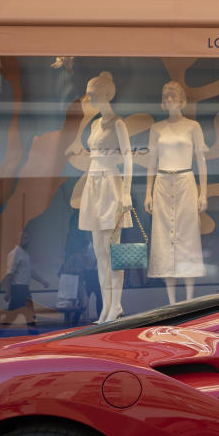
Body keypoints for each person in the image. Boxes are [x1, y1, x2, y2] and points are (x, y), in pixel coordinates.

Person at [75, 71, 134, 323]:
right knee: (99, 251)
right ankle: (106, 306)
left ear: (107, 93)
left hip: (110, 184)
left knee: (114, 251)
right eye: (88, 92)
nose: (90, 97)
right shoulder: (95, 123)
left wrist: (127, 192)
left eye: (93, 92)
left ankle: (116, 305)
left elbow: (129, 157)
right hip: (93, 183)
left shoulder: (117, 123)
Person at [145, 81, 208, 304]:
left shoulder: (193, 126)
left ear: (181, 99)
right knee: (163, 239)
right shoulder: (156, 128)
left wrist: (203, 193)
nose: (169, 99)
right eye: (166, 96)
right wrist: (148, 193)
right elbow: (151, 162)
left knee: (188, 237)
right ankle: (171, 302)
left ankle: (190, 298)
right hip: (162, 183)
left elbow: (201, 160)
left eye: (173, 95)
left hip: (186, 182)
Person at [0, 230, 48, 329]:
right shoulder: (14, 254)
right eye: (26, 238)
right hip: (18, 289)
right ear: (19, 240)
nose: (29, 240)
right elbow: (10, 274)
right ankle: (33, 336)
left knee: (14, 316)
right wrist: (8, 292)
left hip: (24, 289)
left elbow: (30, 271)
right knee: (28, 316)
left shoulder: (25, 254)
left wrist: (42, 281)